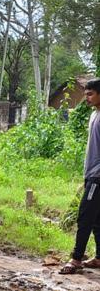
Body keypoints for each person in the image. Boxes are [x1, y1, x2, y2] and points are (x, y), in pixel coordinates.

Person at [60, 78, 100, 274]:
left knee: (84, 216)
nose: (87, 98)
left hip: (97, 177)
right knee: (97, 218)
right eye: (86, 94)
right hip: (91, 174)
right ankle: (99, 257)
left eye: (90, 94)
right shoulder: (94, 115)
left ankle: (76, 259)